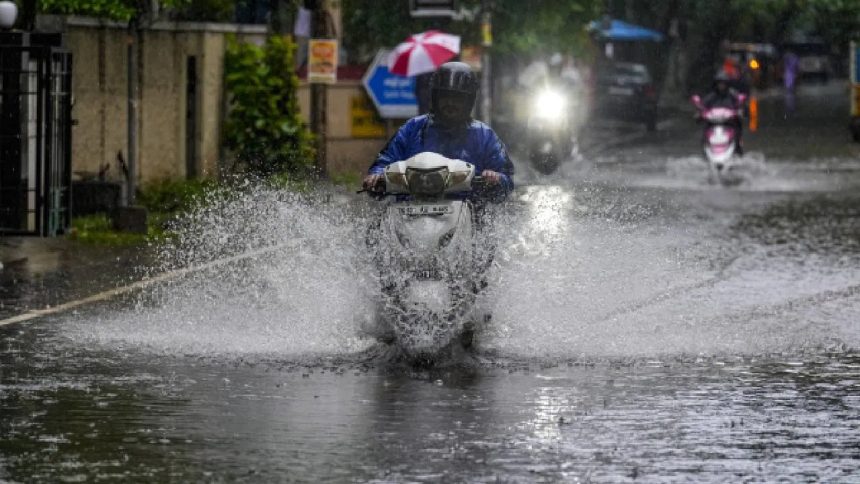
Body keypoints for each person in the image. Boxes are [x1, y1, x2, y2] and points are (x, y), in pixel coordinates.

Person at [362, 62, 514, 201]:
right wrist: (376, 175)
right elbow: (385, 160)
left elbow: (506, 179)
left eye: (457, 98)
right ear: (435, 98)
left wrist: (495, 179)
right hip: (409, 211)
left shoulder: (484, 135)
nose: (450, 103)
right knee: (376, 227)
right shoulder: (413, 128)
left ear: (468, 101)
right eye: (445, 97)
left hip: (469, 214)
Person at [701, 70, 745, 155]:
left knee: (738, 129)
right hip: (713, 123)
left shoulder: (733, 96)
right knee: (704, 131)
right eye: (719, 83)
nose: (721, 86)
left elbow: (740, 105)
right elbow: (703, 106)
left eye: (723, 83)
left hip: (729, 123)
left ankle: (738, 149)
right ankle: (705, 148)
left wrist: (740, 112)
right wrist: (700, 113)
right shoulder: (711, 97)